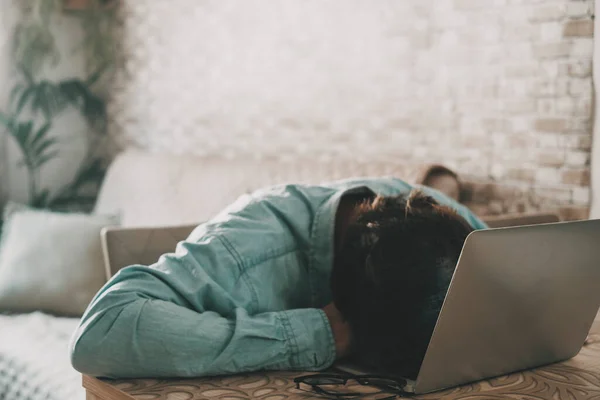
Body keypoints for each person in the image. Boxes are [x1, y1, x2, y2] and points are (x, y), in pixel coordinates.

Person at [70, 176, 487, 380]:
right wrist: (320, 334)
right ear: (343, 301)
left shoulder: (428, 214)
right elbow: (101, 331)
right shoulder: (244, 247)